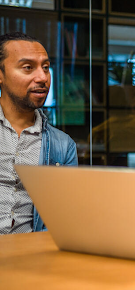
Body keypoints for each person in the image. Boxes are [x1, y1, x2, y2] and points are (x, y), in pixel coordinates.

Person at [0, 32, 78, 234]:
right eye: (28, 68)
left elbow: (65, 217)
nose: (42, 77)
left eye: (46, 68)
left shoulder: (63, 145)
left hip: (33, 256)